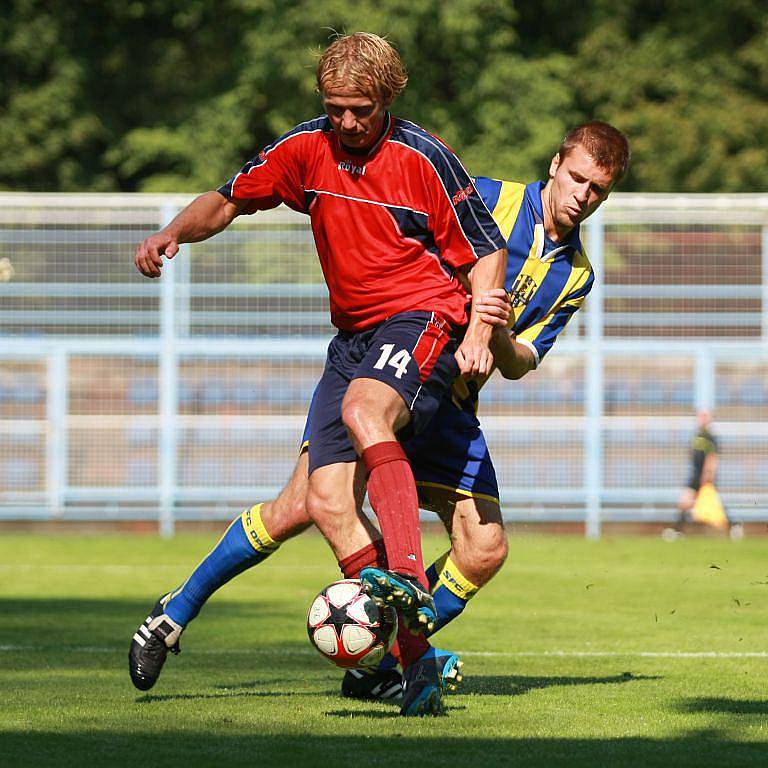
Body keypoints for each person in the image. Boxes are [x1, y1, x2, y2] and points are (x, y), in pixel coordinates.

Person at [129, 121, 630, 712]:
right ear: (555, 165)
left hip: (452, 404)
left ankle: (382, 661)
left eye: (598, 190)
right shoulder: (488, 197)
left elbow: (521, 362)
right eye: (577, 178)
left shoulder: (575, 274)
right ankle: (175, 613)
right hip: (402, 358)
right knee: (299, 507)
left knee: (484, 547)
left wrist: (492, 335)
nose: (582, 197)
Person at [132, 31, 508, 716]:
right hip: (351, 342)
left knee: (367, 414)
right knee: (325, 503)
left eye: (359, 109)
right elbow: (228, 199)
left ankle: (405, 575)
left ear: (387, 99)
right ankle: (412, 663)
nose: (346, 122)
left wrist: (480, 330)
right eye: (334, 107)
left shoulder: (424, 159)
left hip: (420, 318)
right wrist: (172, 233)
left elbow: (486, 252)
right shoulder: (307, 148)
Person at [666, 409, 732, 537]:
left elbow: (712, 457)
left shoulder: (710, 437)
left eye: (705, 416)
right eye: (700, 416)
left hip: (704, 476)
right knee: (685, 501)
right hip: (696, 475)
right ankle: (678, 530)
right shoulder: (697, 435)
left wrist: (708, 474)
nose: (702, 419)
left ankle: (733, 525)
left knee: (713, 503)